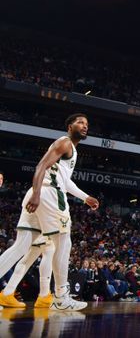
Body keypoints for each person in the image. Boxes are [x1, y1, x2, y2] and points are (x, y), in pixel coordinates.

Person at [0, 114, 99, 310]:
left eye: (87, 123)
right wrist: (37, 194)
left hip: (41, 193)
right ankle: (61, 296)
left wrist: (84, 197)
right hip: (49, 195)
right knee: (63, 242)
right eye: (80, 122)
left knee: (20, 247)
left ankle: (18, 293)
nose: (85, 126)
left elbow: (65, 180)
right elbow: (41, 166)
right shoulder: (65, 142)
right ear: (69, 126)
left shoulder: (71, 151)